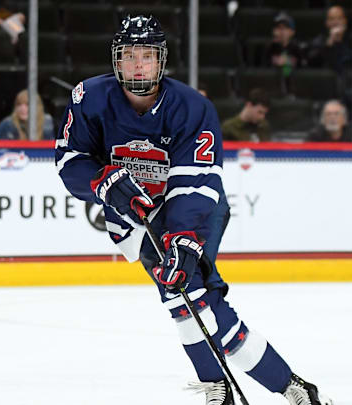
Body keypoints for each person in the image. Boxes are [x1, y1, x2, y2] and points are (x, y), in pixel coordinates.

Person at [54, 15, 332, 405]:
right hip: (138, 220)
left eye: (147, 56)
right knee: (190, 297)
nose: (138, 65)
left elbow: (197, 184)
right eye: (129, 55)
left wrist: (183, 239)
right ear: (117, 61)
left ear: (161, 61)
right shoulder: (91, 99)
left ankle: (233, 387)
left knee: (184, 290)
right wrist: (102, 181)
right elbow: (70, 162)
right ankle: (291, 388)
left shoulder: (192, 107)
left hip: (198, 213)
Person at [265, 11, 304, 77]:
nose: (281, 31)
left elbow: (303, 65)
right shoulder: (270, 47)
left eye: (285, 28)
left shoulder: (297, 48)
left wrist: (288, 61)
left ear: (292, 32)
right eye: (278, 28)